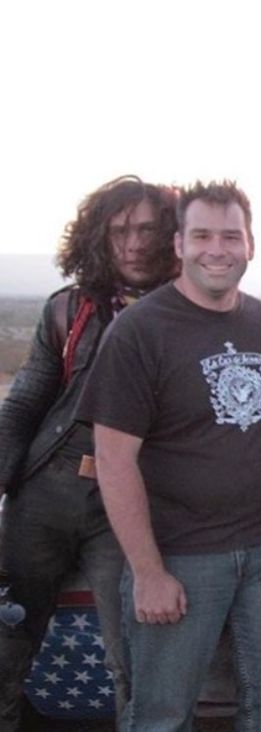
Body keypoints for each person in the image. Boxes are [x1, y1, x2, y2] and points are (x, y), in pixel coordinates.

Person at [75, 181, 261, 732]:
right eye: (202, 235)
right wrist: (148, 572)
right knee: (161, 712)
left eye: (231, 236)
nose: (217, 249)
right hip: (181, 555)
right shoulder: (139, 332)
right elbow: (113, 461)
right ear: (179, 244)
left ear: (250, 245)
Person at [0, 176, 177, 730]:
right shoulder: (68, 310)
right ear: (98, 237)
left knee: (133, 650)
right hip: (46, 490)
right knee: (7, 638)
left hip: (126, 505)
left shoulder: (190, 312)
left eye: (149, 229)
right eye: (120, 230)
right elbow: (26, 400)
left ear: (171, 233)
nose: (134, 243)